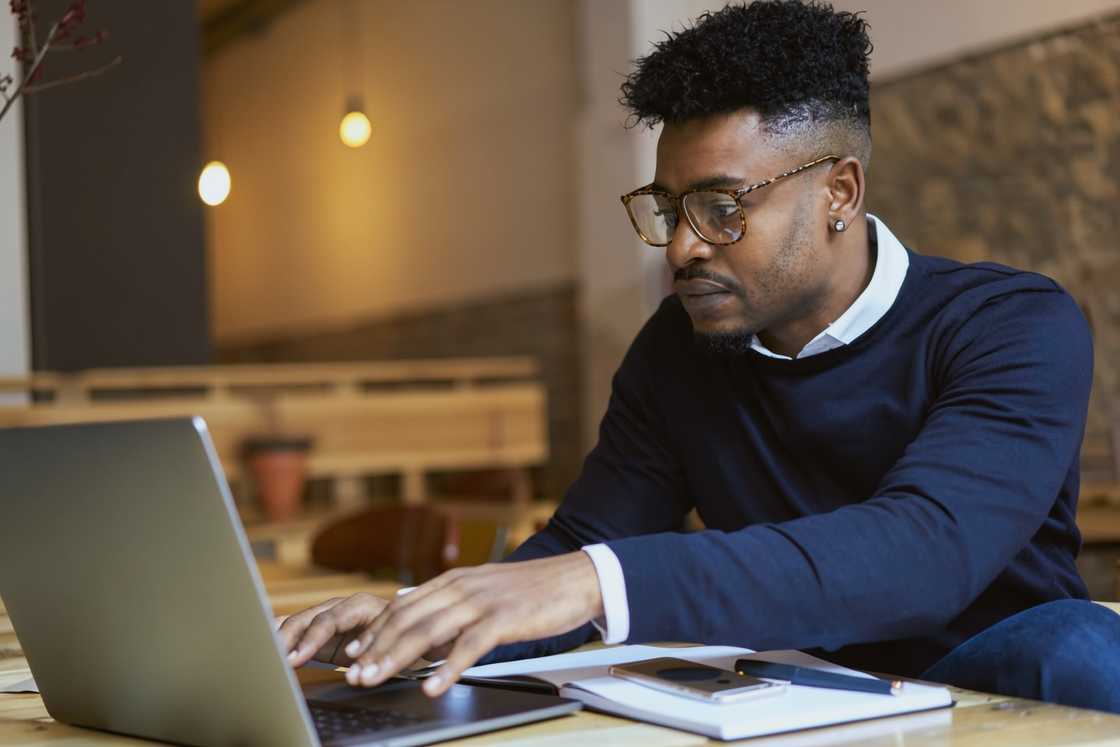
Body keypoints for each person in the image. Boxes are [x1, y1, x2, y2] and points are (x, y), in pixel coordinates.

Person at [278, 0, 1120, 712]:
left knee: (1082, 645)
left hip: (991, 694)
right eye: (669, 207)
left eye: (722, 207)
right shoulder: (678, 350)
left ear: (839, 193)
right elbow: (587, 541)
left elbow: (923, 548)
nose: (681, 247)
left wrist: (598, 580)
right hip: (780, 700)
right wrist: (421, 620)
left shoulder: (1010, 325)